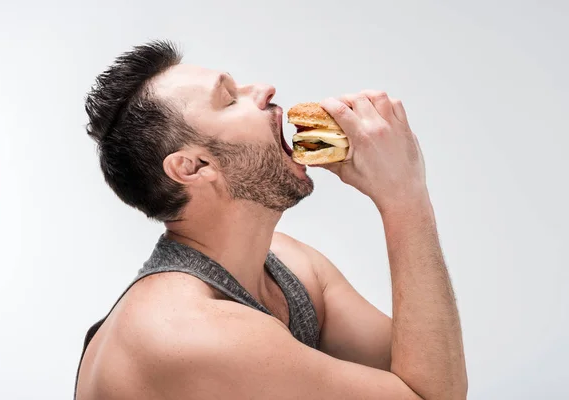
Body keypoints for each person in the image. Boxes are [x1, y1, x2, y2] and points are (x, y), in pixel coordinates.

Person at [74, 40, 468, 400]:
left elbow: (428, 375)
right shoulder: (187, 330)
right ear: (194, 167)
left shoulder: (292, 266)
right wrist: (404, 197)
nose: (264, 89)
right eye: (229, 100)